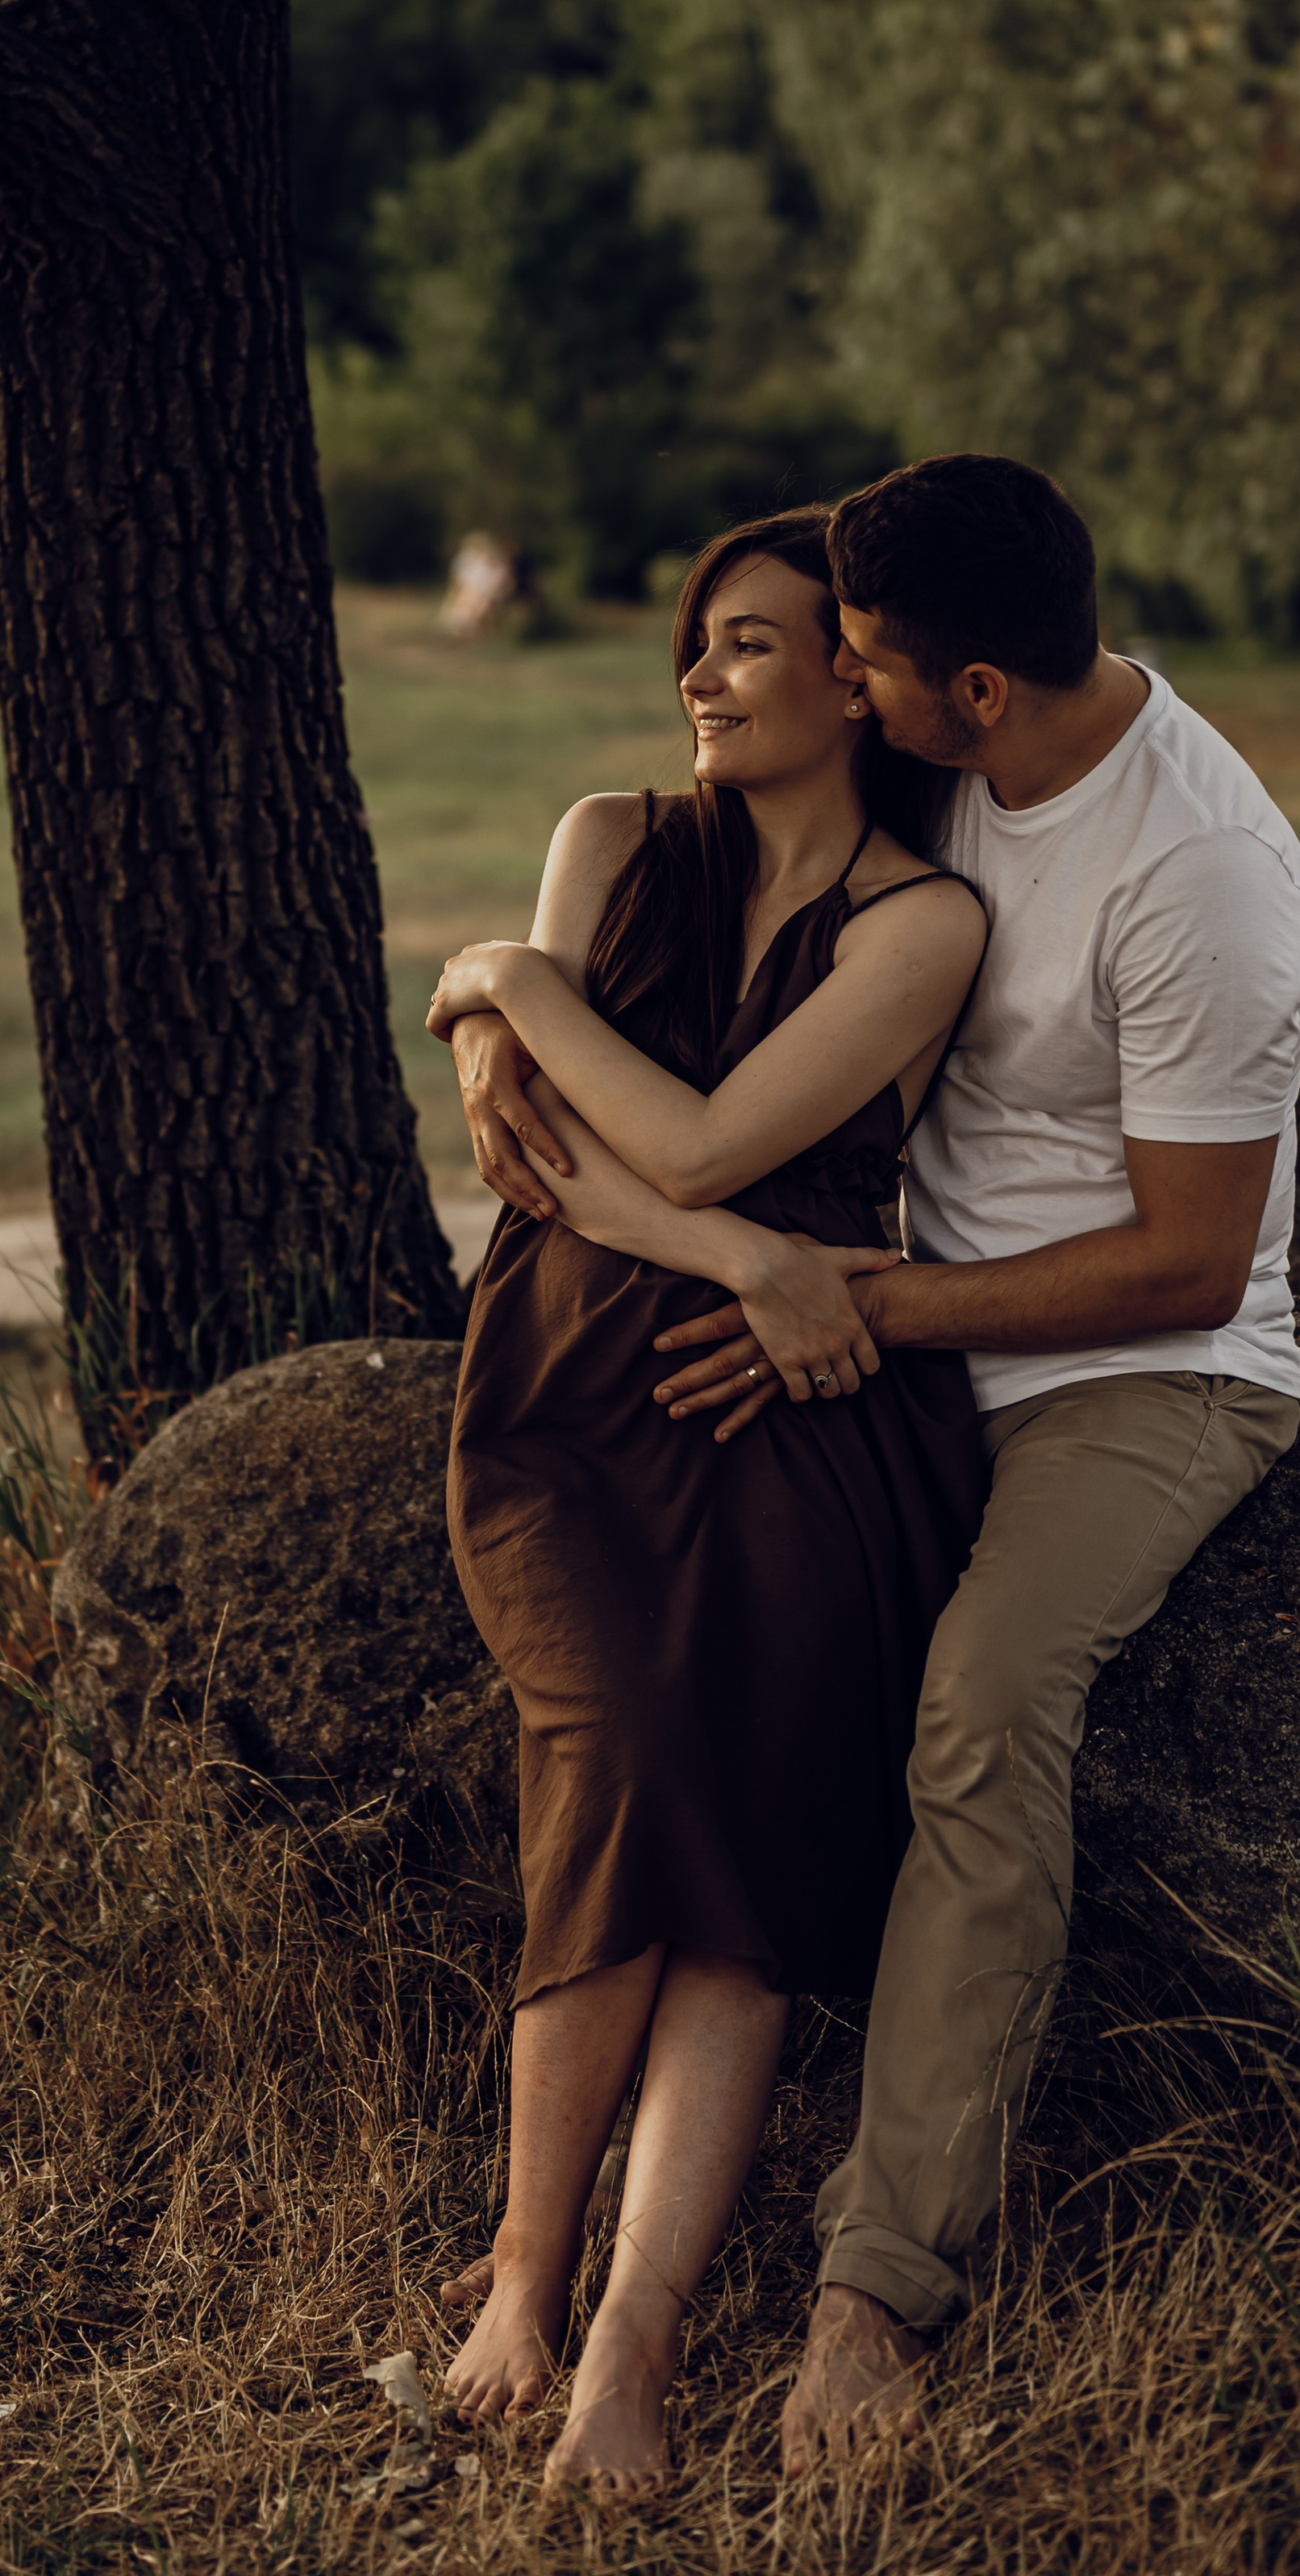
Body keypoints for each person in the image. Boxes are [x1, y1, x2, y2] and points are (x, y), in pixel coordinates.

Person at [451, 455, 1300, 2478]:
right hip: (868, 1336)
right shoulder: (932, 770)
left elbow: (1192, 1259)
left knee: (977, 1709)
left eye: (856, 658)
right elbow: (664, 950)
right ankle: (541, 2266)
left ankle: (873, 2293)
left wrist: (842, 1303)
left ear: (972, 693)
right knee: (710, 1705)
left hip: (1136, 1367)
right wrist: (501, 996)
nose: (821, 679)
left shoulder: (1193, 873)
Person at [425, 509, 991, 2497]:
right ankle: (515, 2273)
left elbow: (682, 1130)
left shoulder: (922, 922)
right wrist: (742, 1249)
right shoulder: (608, 836)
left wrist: (494, 978)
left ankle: (624, 2357)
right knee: (617, 1743)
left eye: (747, 644)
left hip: (800, 1415)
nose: (696, 675)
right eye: (695, 642)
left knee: (741, 1849)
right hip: (574, 1395)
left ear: (855, 674)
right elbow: (569, 1160)